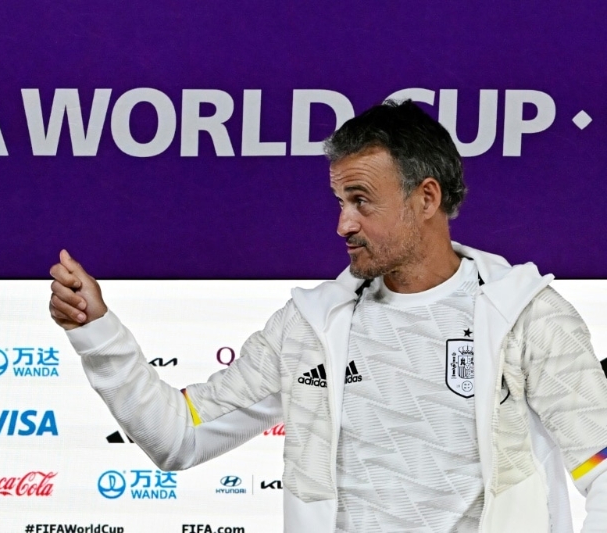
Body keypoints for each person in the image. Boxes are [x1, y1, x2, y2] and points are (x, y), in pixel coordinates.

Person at [48, 100, 607, 533]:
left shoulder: (530, 318)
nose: (343, 224)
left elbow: (600, 469)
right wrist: (98, 333)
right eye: (339, 201)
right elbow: (179, 437)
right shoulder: (309, 328)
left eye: (361, 200)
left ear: (426, 199)